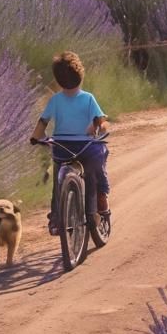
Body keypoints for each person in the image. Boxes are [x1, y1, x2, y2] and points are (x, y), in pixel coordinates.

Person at [30, 51, 110, 235]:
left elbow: (43, 122)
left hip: (62, 147)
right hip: (85, 148)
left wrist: (36, 137)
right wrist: (99, 127)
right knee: (92, 174)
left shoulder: (55, 100)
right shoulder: (88, 98)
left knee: (58, 182)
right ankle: (95, 208)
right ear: (81, 75)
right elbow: (100, 120)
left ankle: (57, 218)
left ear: (58, 81)